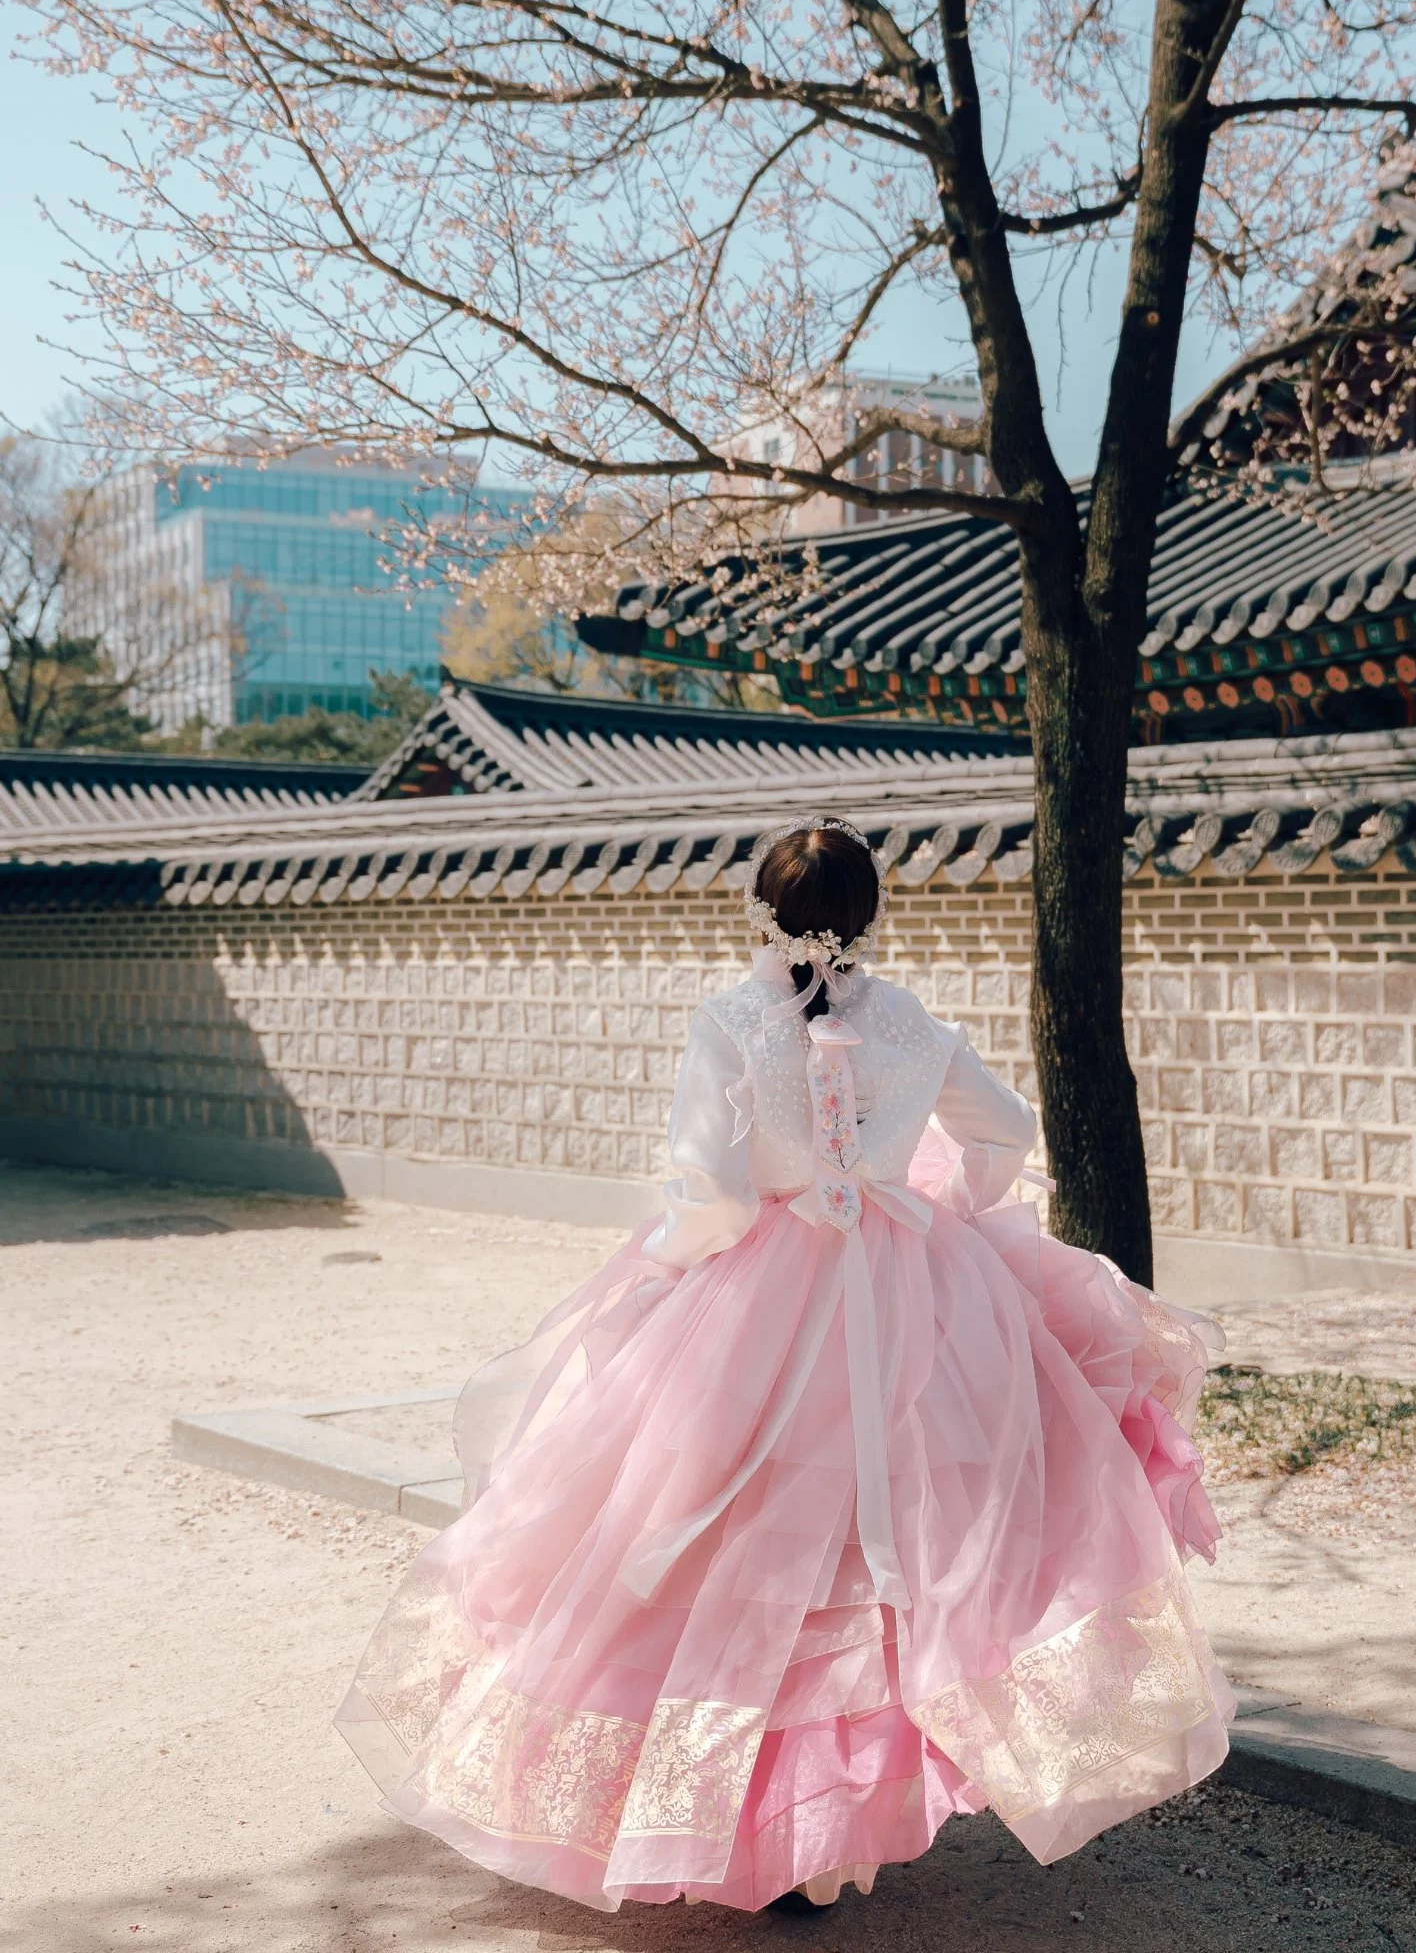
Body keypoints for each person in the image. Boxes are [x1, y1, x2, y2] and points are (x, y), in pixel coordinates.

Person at [335, 814, 1232, 1914]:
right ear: (868, 919)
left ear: (760, 911)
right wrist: (944, 1205)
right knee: (898, 1541)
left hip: (756, 1302)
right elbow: (1005, 1128)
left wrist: (676, 1265)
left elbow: (708, 1186)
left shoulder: (732, 1021)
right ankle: (831, 1836)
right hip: (914, 1303)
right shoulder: (909, 1024)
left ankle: (733, 1822)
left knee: (717, 1537)